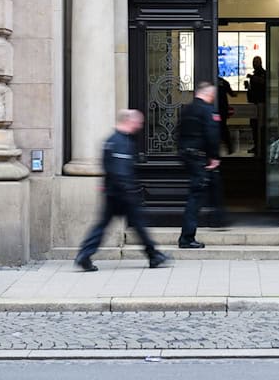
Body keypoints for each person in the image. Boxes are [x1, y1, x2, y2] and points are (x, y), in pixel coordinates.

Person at [75, 109, 169, 272]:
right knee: (138, 225)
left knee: (103, 225)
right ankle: (154, 255)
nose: (140, 125)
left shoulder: (112, 140)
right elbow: (120, 170)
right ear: (128, 121)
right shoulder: (121, 142)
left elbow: (109, 167)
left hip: (113, 191)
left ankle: (85, 254)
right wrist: (130, 191)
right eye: (138, 122)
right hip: (122, 193)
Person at [177, 82, 221, 249]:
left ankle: (217, 216)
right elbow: (212, 134)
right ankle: (187, 238)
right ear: (208, 94)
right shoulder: (207, 110)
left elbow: (178, 132)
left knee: (197, 193)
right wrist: (214, 157)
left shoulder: (186, 109)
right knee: (196, 196)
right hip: (199, 157)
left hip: (187, 156)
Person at [244, 56, 267, 156]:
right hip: (254, 104)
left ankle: (261, 146)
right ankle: (256, 145)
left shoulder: (263, 73)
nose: (254, 64)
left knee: (260, 126)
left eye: (256, 62)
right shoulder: (254, 75)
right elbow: (253, 90)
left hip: (261, 104)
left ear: (260, 63)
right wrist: (248, 87)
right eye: (253, 62)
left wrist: (252, 78)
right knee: (254, 126)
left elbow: (263, 82)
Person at [216, 77, 237, 155]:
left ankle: (216, 147)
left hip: (214, 110)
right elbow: (232, 94)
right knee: (223, 127)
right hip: (222, 110)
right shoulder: (224, 82)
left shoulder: (209, 80)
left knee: (216, 127)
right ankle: (229, 146)